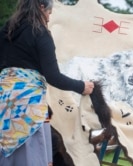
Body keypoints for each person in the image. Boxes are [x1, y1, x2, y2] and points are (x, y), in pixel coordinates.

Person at [0, 0, 94, 166]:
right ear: (42, 8)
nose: (49, 19)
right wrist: (82, 86)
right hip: (29, 107)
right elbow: (53, 76)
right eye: (49, 13)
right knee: (30, 157)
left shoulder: (6, 31)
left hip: (4, 103)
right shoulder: (40, 32)